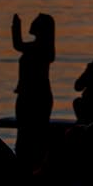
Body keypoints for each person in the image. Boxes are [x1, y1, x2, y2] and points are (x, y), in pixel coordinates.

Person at [11, 12, 55, 172]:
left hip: (35, 95)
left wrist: (16, 26)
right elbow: (19, 45)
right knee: (25, 132)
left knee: (33, 133)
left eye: (36, 22)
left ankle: (33, 166)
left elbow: (18, 45)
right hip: (27, 94)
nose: (32, 24)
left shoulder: (42, 48)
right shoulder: (40, 48)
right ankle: (26, 164)